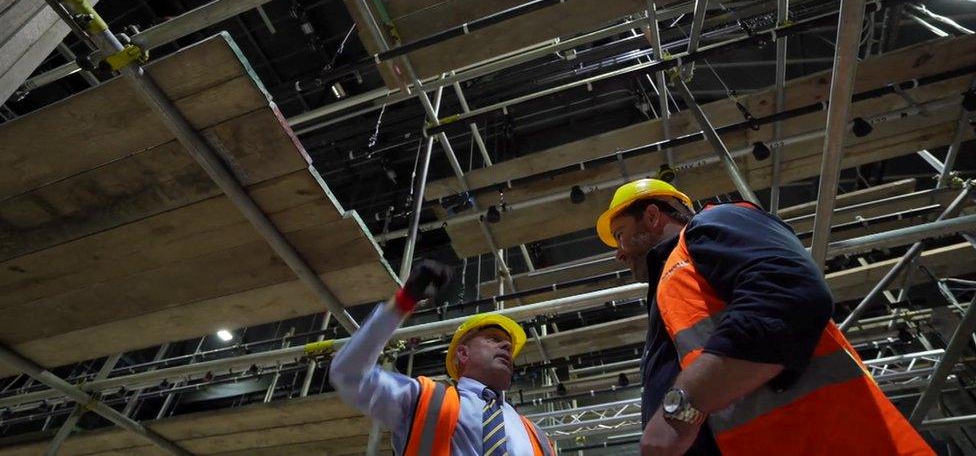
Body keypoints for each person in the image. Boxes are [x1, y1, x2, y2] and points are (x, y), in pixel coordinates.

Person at [596, 178, 933, 456]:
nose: (619, 253)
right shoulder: (675, 279)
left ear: (653, 216)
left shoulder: (714, 223)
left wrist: (679, 410)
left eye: (622, 233)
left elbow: (789, 296)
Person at [330, 260, 554, 455]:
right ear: (463, 353)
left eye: (508, 344)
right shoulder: (425, 400)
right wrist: (403, 301)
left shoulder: (536, 436)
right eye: (493, 338)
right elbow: (348, 374)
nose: (506, 345)